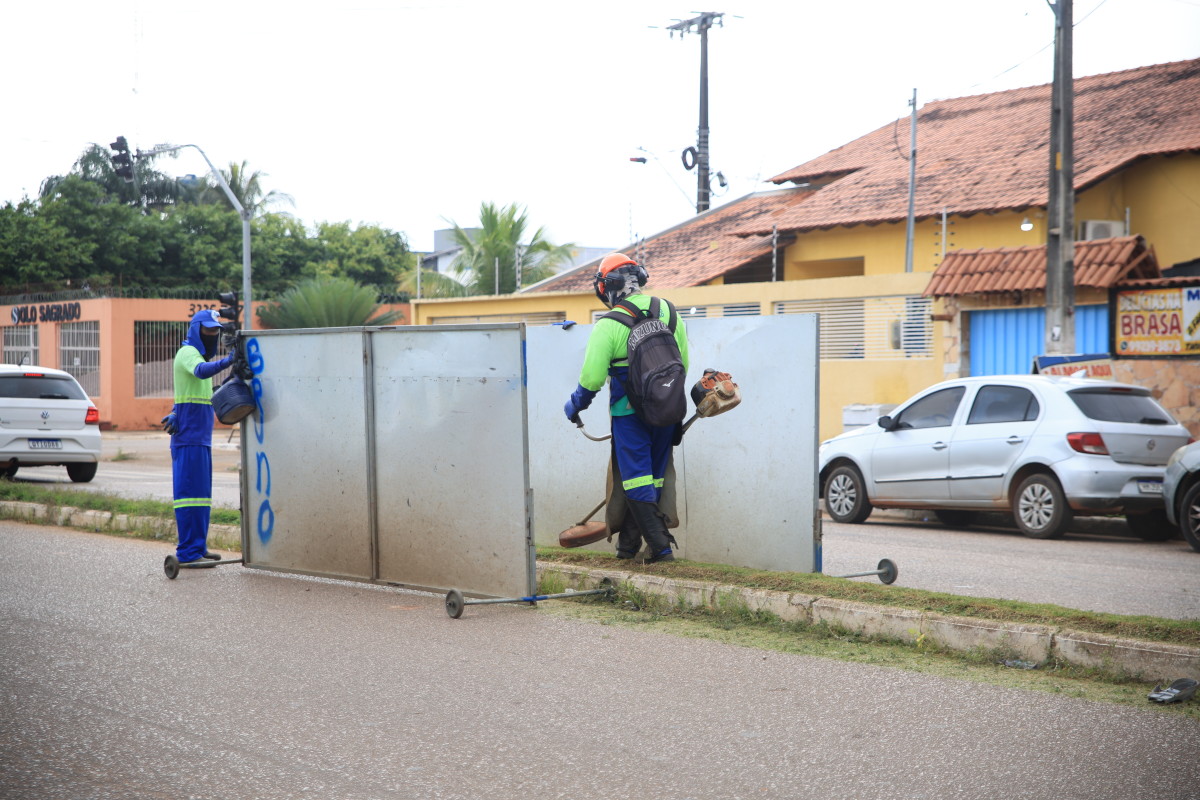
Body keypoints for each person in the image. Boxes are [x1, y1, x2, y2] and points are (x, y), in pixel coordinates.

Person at [563, 253, 689, 563]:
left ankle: (661, 550)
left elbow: (592, 379)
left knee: (634, 479)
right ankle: (628, 547)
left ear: (606, 287)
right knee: (653, 477)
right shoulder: (670, 312)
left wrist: (574, 406)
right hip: (667, 410)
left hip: (628, 413)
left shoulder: (609, 324)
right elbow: (683, 363)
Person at [161, 310, 237, 563]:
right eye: (208, 329)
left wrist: (175, 411)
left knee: (202, 497)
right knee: (189, 497)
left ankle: (198, 547)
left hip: (201, 437)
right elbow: (201, 371)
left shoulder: (197, 355)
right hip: (189, 437)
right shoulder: (188, 353)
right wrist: (228, 361)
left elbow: (185, 390)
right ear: (196, 330)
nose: (212, 333)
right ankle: (188, 552)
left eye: (216, 330)